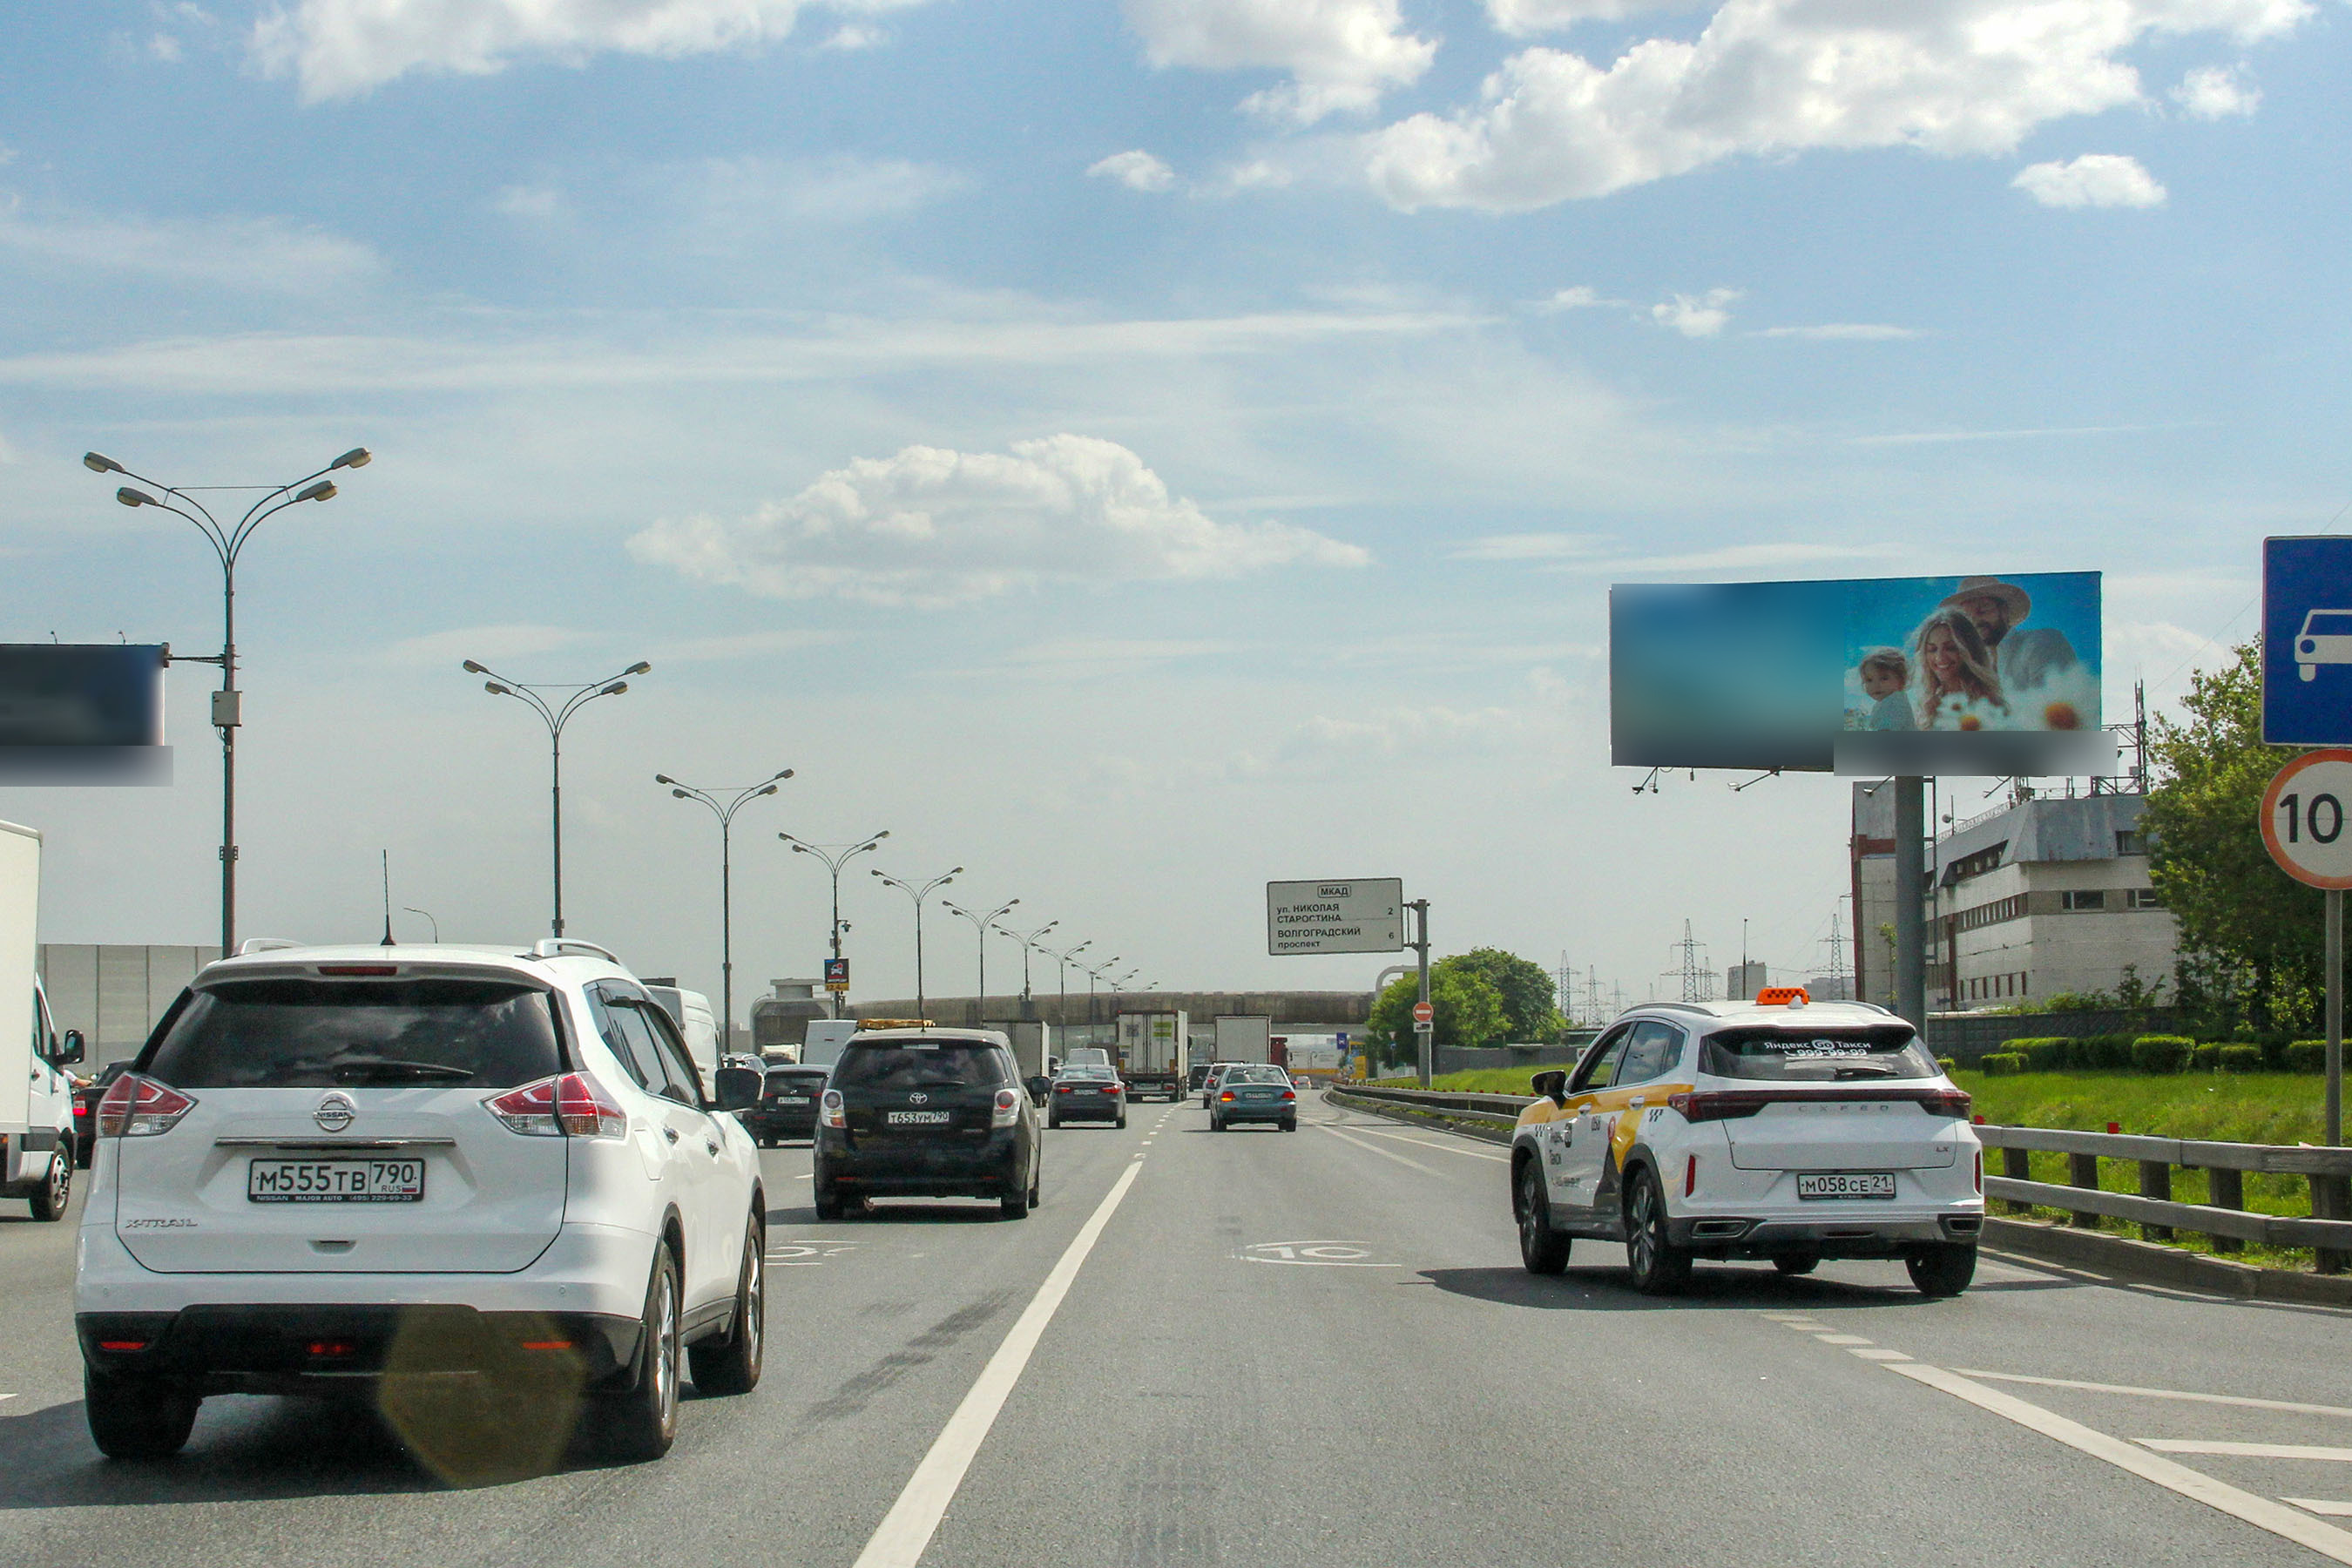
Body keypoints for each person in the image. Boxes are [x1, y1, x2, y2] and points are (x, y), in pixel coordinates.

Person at [1941, 575, 2078, 692]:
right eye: (1967, 618)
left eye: (1983, 610)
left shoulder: (2041, 642)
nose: (1976, 621)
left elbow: (2050, 711)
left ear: (2004, 611)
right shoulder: (1975, 669)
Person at [1913, 608, 2006, 728]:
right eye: (1932, 649)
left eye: (1950, 648)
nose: (1940, 657)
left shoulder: (1988, 702)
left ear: (1969, 650)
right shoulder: (1926, 705)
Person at [1857, 647, 1916, 730]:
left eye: (1884, 678)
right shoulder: (1885, 702)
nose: (1876, 685)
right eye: (1869, 680)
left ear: (1901, 679)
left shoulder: (1895, 702)